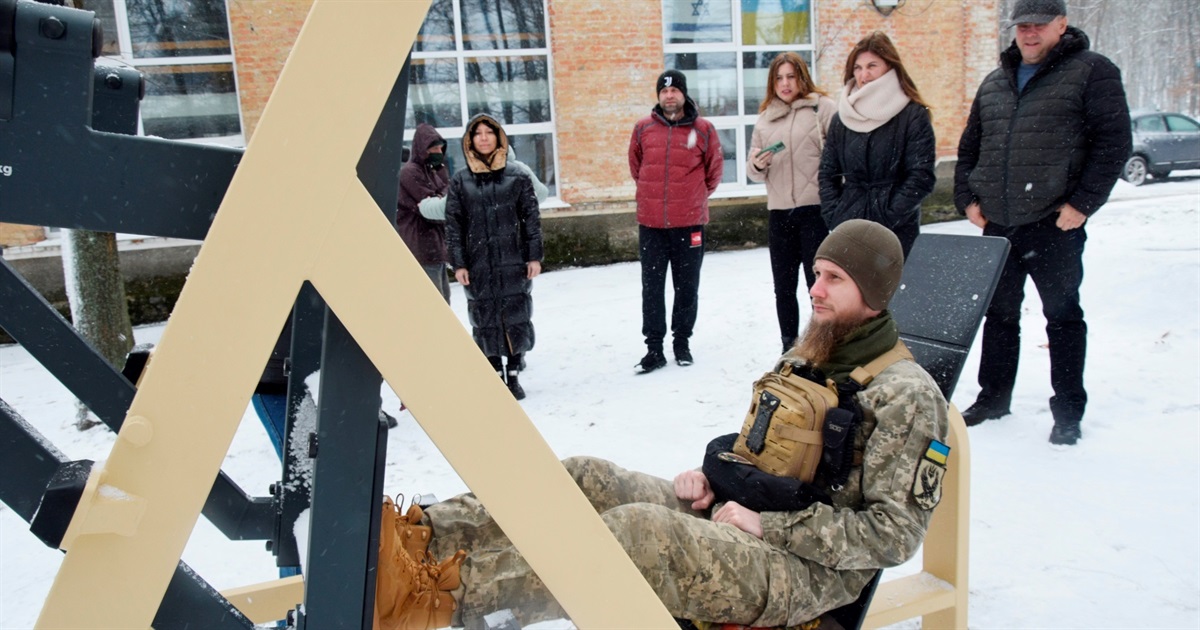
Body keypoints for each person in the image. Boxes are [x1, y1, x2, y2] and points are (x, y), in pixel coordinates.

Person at [381, 220, 949, 629]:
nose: (815, 289)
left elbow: (892, 535)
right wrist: (716, 479)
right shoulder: (810, 353)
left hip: (811, 576)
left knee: (636, 537)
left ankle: (433, 599)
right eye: (817, 273)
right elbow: (759, 454)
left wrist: (767, 529)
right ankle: (422, 536)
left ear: (873, 295)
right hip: (742, 519)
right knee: (585, 477)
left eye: (834, 280)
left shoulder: (906, 396)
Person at [954, 0, 1131, 445]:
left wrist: (1083, 204)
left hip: (1054, 223)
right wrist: (967, 199)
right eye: (1021, 26)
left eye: (1038, 25)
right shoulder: (996, 81)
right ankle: (993, 397)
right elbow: (970, 145)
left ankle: (1068, 410)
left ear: (1061, 25)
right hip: (1000, 222)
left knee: (1063, 317)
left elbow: (1113, 143)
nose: (1028, 34)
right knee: (998, 316)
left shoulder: (1091, 71)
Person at [628, 69, 723, 373]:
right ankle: (654, 349)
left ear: (683, 93)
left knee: (686, 287)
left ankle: (681, 343)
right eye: (664, 91)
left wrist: (691, 198)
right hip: (652, 225)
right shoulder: (643, 128)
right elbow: (636, 167)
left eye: (675, 90)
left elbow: (714, 172)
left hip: (689, 224)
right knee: (652, 288)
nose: (669, 95)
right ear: (659, 96)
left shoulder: (704, 129)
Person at [445, 113, 543, 401]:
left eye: (489, 132)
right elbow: (454, 226)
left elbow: (531, 220)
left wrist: (534, 256)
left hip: (514, 261)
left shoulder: (518, 177)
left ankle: (513, 374)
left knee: (516, 315)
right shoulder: (460, 181)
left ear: (498, 138)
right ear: (470, 141)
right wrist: (459, 263)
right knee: (484, 317)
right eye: (478, 134)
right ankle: (495, 373)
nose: (484, 138)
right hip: (478, 264)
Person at [747, 52, 836, 353]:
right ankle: (789, 346)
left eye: (791, 76)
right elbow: (752, 170)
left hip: (815, 212)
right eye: (778, 78)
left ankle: (820, 346)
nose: (785, 83)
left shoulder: (822, 109)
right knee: (783, 288)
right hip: (780, 213)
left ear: (802, 77)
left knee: (818, 287)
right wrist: (758, 164)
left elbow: (839, 156)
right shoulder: (764, 119)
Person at [818, 31, 936, 258]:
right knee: (853, 293)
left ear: (890, 67)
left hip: (896, 231)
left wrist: (888, 215)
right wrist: (835, 214)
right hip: (849, 228)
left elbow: (921, 176)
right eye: (858, 68)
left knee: (894, 293)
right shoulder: (841, 117)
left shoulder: (912, 114)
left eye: (872, 65)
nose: (864, 75)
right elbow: (827, 173)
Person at [396, 123, 452, 303]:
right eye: (434, 148)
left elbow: (445, 196)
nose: (438, 152)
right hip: (421, 247)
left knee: (443, 301)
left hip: (435, 248)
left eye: (440, 148)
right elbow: (431, 206)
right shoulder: (410, 172)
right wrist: (444, 192)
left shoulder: (432, 171)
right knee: (436, 304)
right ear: (422, 149)